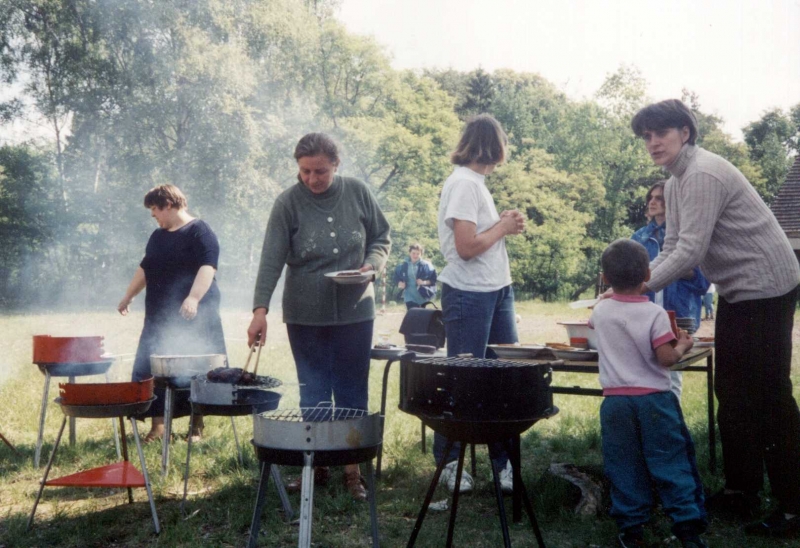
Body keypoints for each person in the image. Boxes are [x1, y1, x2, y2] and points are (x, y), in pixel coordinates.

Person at [630, 99, 800, 537]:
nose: (652, 143)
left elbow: (691, 252)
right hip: (738, 289)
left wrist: (635, 287)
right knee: (732, 391)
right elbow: (672, 249)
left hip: (767, 285)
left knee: (769, 396)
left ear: (685, 132)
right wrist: (638, 282)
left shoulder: (702, 172)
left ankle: (794, 504)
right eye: (646, 137)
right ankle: (741, 492)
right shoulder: (675, 180)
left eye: (660, 133)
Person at [247, 133, 391, 501]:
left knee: (351, 387)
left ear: (336, 166)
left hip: (356, 309)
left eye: (321, 171)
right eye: (305, 171)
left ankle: (352, 470)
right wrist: (259, 311)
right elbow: (270, 260)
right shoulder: (287, 203)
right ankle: (315, 464)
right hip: (304, 313)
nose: (312, 179)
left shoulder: (357, 192)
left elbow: (381, 237)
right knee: (312, 389)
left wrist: (371, 266)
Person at [591, 239, 707, 548]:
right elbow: (666, 359)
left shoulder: (600, 311)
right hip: (654, 399)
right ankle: (687, 527)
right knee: (670, 461)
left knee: (624, 464)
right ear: (647, 274)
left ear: (605, 278)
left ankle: (632, 529)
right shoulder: (655, 314)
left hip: (616, 401)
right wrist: (683, 343)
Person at [435, 114, 526, 494]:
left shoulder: (476, 184)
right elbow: (466, 247)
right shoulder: (462, 185)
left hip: (497, 290)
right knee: (466, 379)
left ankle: (503, 463)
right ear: (494, 145)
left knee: (505, 379)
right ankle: (451, 462)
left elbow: (479, 237)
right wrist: (503, 228)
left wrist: (502, 222)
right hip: (469, 294)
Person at [118, 184, 226, 443]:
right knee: (154, 366)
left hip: (194, 312)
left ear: (168, 204)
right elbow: (145, 268)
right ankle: (158, 427)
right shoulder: (157, 236)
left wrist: (193, 297)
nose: (153, 215)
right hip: (159, 313)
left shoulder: (200, 230)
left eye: (154, 209)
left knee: (196, 367)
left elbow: (208, 266)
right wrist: (128, 296)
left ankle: (196, 425)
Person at [631, 180, 709, 397]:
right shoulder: (639, 237)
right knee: (642, 373)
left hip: (679, 315)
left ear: (673, 202)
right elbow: (630, 277)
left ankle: (669, 425)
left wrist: (676, 266)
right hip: (643, 315)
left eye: (659, 198)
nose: (652, 202)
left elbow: (703, 283)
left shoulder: (689, 236)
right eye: (651, 197)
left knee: (671, 378)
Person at [392, 243, 437, 309]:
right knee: (412, 315)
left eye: (418, 253)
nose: (415, 255)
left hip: (422, 296)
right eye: (413, 253)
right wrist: (400, 283)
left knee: (421, 317)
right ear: (409, 253)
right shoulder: (403, 265)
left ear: (421, 254)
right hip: (409, 296)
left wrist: (423, 282)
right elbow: (396, 277)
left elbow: (434, 280)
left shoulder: (426, 265)